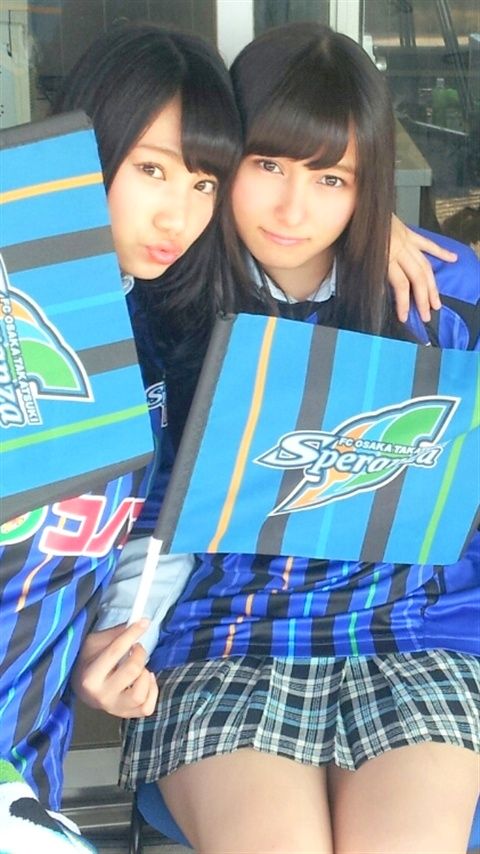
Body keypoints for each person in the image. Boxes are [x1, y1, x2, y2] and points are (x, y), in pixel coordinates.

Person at [74, 23, 479, 854]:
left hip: (411, 629)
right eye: (268, 166)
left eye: (332, 179)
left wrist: (378, 234)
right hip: (225, 637)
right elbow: (148, 515)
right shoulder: (163, 305)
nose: (296, 211)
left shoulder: (438, 297)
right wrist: (121, 639)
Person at [0, 21, 242, 822]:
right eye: (152, 169)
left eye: (205, 184)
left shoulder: (160, 349)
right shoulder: (16, 310)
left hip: (27, 766)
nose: (179, 215)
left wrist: (100, 651)